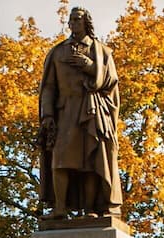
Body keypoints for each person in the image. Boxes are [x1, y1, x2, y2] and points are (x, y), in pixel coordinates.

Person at [38, 6, 122, 220]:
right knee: (59, 160)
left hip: (91, 109)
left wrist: (90, 66)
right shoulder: (57, 52)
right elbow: (48, 87)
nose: (73, 23)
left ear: (86, 23)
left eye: (77, 19)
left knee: (91, 160)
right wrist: (47, 115)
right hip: (64, 112)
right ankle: (59, 208)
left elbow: (111, 82)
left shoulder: (101, 51)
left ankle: (90, 209)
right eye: (71, 19)